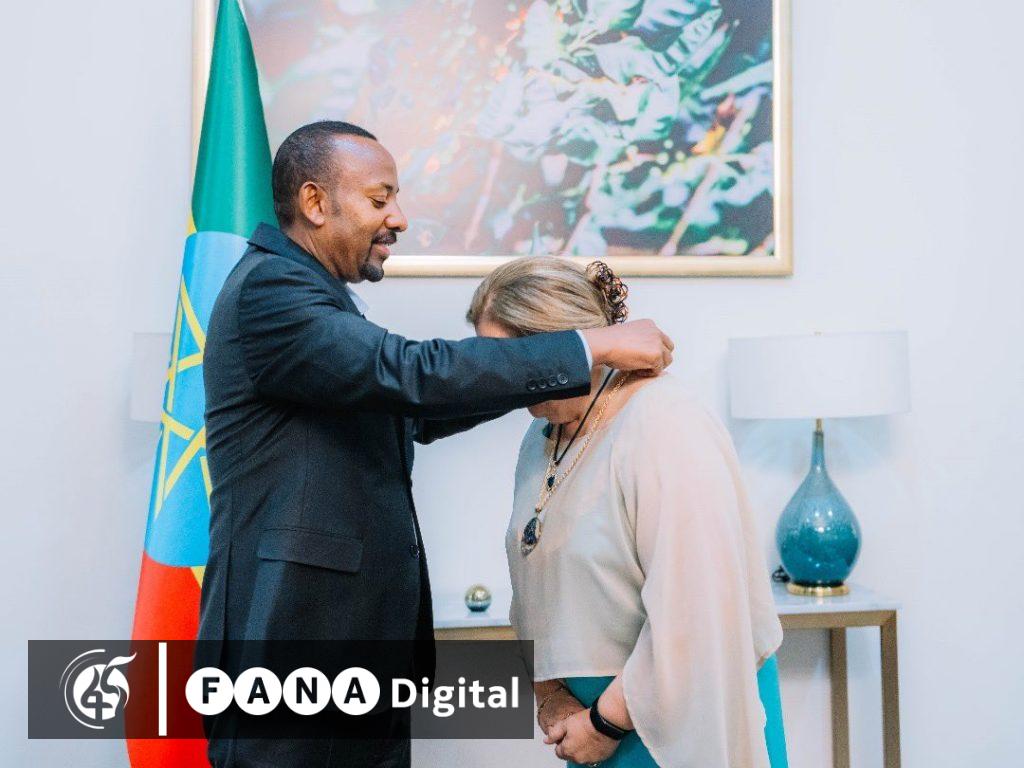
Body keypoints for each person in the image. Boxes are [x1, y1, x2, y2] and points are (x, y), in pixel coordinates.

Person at [196, 120, 674, 768]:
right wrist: (590, 347)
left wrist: (548, 382)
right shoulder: (271, 292)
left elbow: (409, 411)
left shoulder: (317, 299)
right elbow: (408, 375)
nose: (398, 218)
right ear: (314, 202)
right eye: (380, 198)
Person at [468, 257, 788, 768]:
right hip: (588, 726)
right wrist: (550, 697)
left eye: (511, 361)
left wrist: (606, 722)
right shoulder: (540, 438)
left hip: (669, 721)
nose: (500, 381)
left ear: (563, 344)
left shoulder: (664, 422)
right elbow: (534, 583)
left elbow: (694, 604)